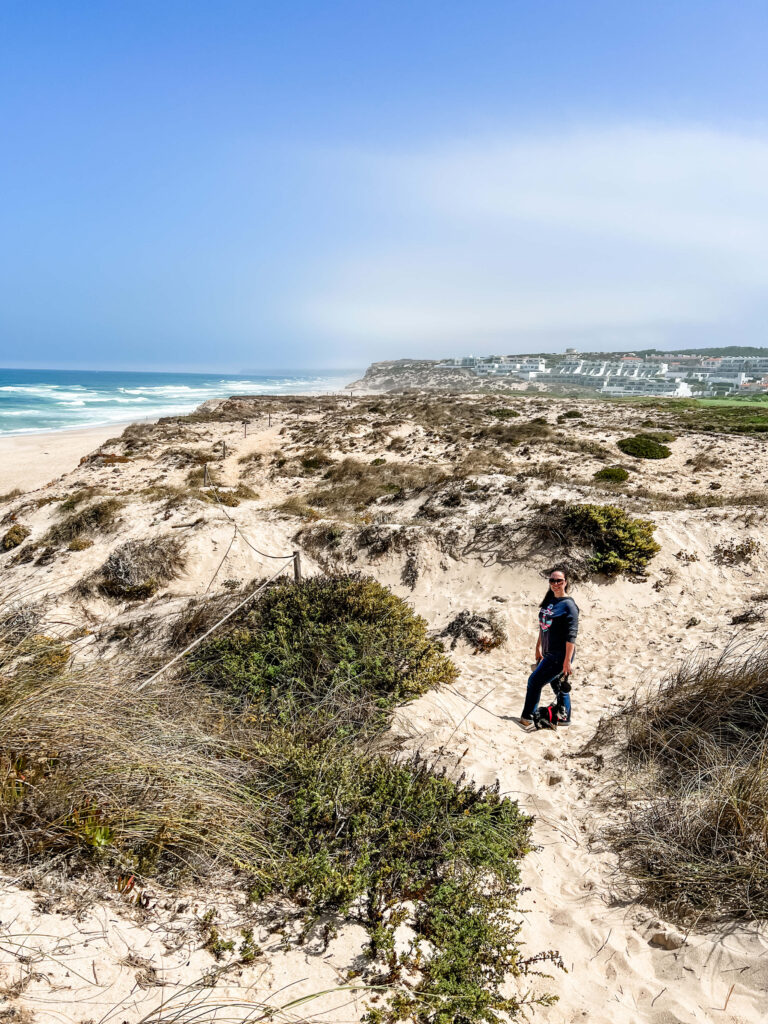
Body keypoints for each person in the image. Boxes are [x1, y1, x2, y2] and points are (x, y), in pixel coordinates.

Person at [519, 567, 579, 729]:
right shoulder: (550, 601)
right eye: (552, 580)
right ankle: (564, 717)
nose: (555, 583)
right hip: (547, 652)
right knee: (558, 686)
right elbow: (543, 627)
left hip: (560, 655)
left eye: (559, 580)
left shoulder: (569, 606)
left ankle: (527, 717)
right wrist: (538, 647)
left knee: (534, 682)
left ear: (565, 582)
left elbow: (571, 636)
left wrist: (567, 661)